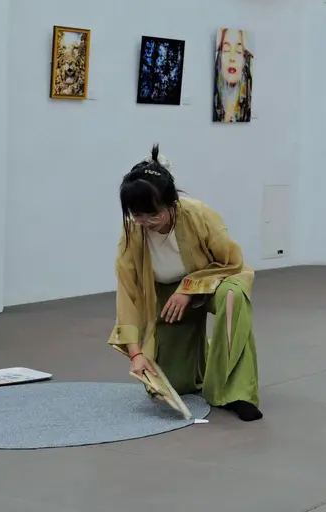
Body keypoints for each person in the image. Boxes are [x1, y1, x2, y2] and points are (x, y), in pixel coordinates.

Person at [108, 145, 263, 421]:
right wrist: (135, 355)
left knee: (233, 298)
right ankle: (207, 356)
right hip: (167, 293)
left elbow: (232, 262)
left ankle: (237, 392)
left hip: (215, 281)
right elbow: (128, 293)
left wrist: (188, 288)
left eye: (153, 214)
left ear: (171, 204)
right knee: (176, 385)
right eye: (138, 215)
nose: (145, 222)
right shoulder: (133, 232)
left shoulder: (198, 215)